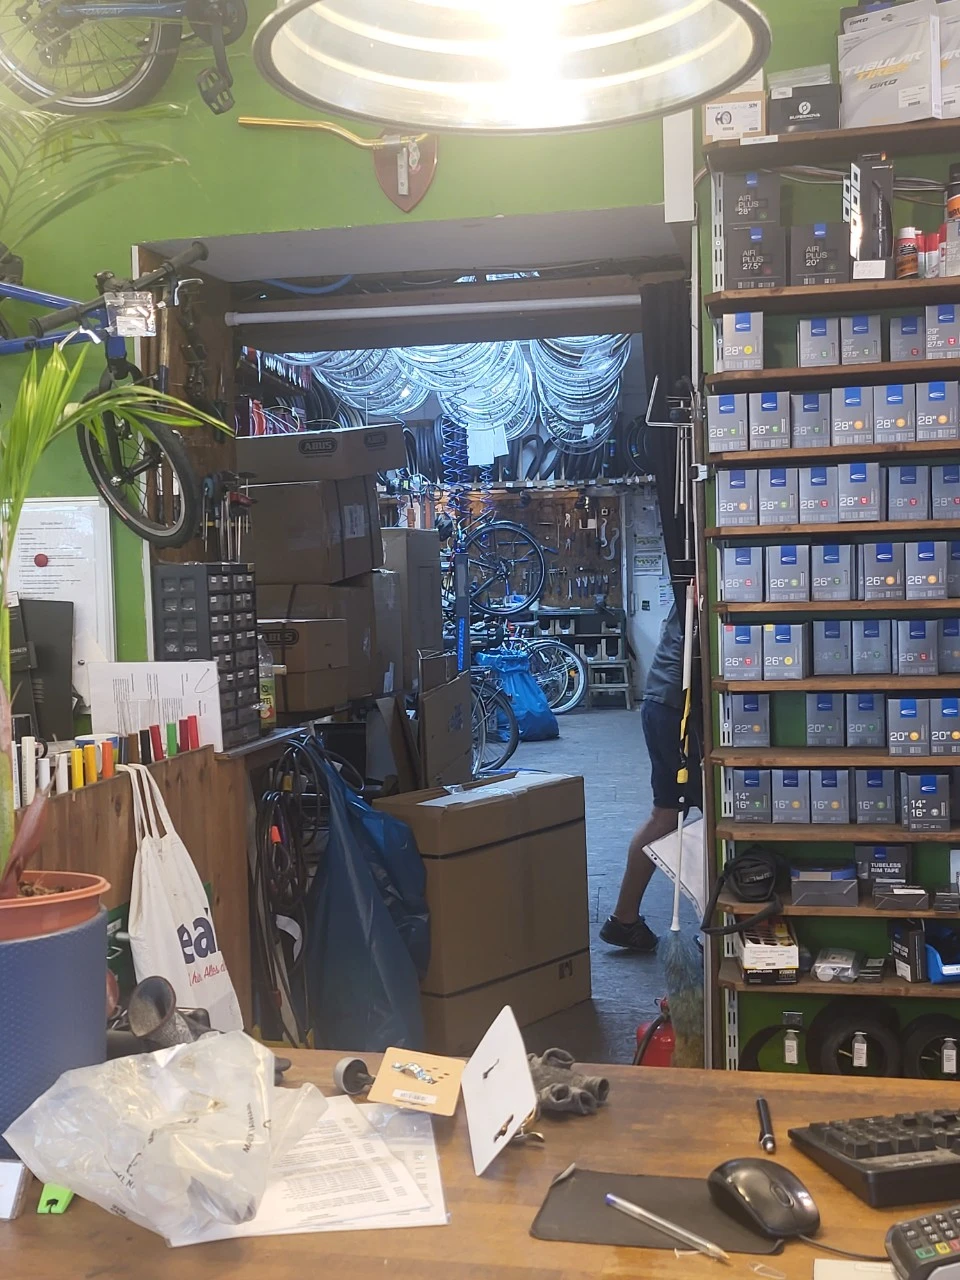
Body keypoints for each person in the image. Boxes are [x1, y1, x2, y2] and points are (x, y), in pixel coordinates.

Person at [600, 601, 686, 953]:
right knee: (710, 816)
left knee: (666, 815)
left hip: (663, 702)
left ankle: (624, 919)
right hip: (678, 708)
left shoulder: (693, 586)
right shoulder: (708, 584)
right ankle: (721, 922)